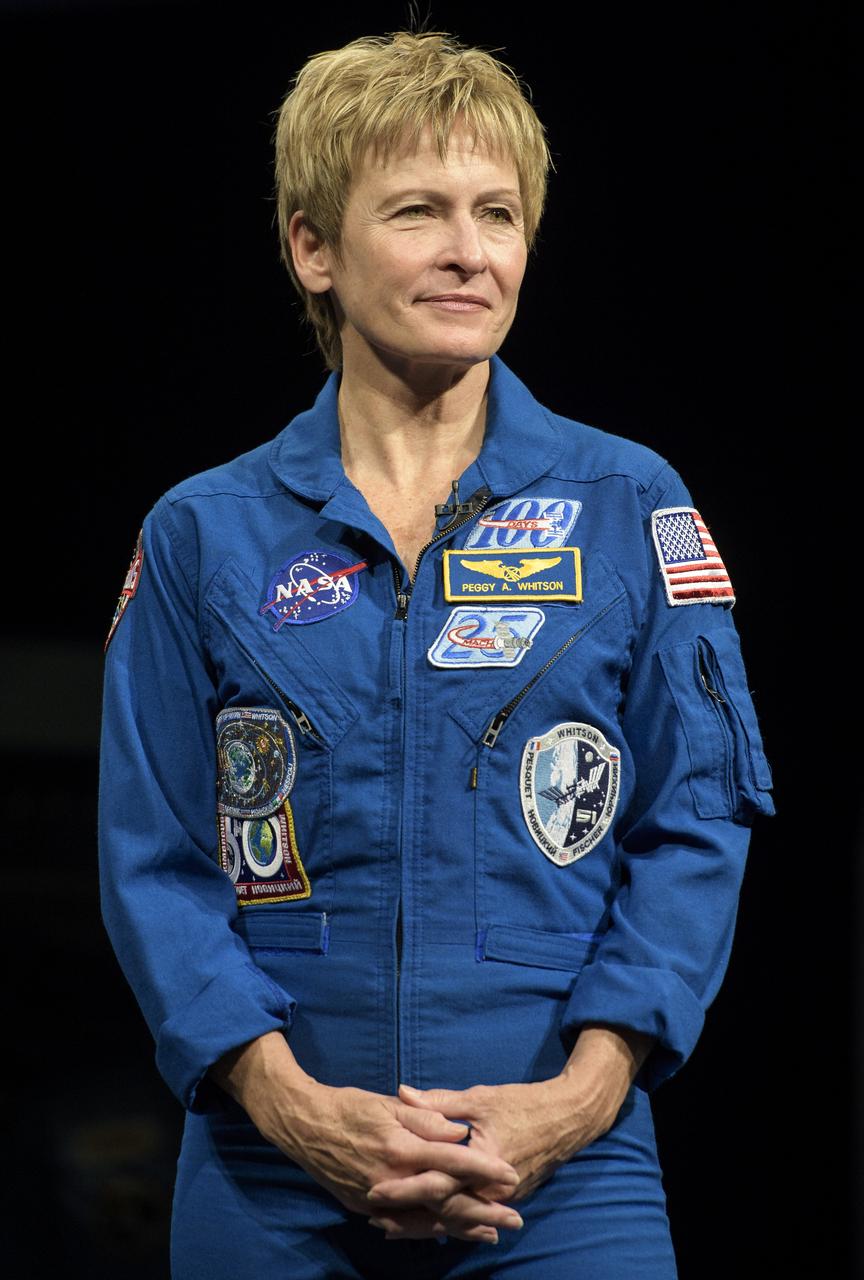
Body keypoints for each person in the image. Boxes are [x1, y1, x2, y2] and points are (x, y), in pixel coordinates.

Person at [98, 30, 774, 1279]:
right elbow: (153, 859)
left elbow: (699, 822)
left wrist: (575, 1098)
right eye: (419, 212)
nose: (473, 251)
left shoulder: (629, 501)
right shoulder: (201, 532)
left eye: (500, 213)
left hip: (565, 1176)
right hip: (269, 1169)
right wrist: (294, 1105)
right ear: (313, 247)